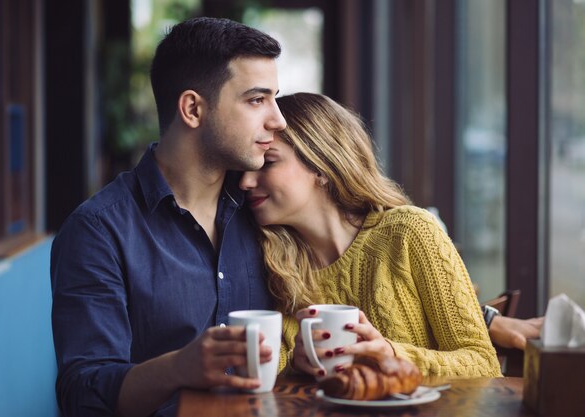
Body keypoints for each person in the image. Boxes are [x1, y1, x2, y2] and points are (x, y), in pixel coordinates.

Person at [50, 17, 286, 417]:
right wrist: (178, 368)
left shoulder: (265, 207)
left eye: (274, 98)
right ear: (192, 108)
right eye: (256, 99)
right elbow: (83, 393)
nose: (277, 119)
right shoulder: (97, 231)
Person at [239, 92, 503, 378]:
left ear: (321, 166)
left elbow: (483, 364)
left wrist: (392, 355)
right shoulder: (272, 263)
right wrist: (296, 367)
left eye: (268, 164)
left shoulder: (410, 232)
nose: (246, 181)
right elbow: (269, 381)